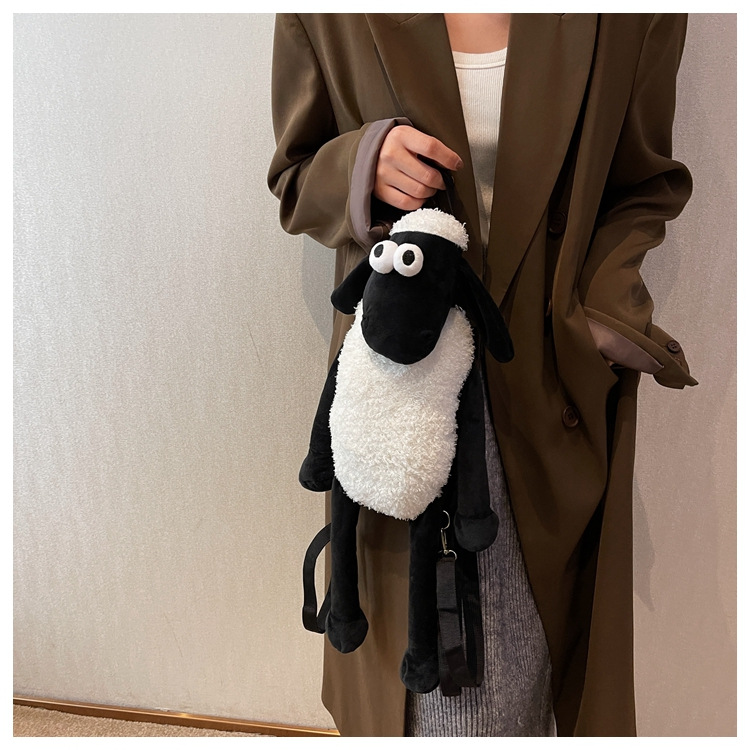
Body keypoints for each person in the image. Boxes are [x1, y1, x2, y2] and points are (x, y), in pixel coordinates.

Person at [267, 13, 696, 737]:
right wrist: (362, 164)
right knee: (413, 691)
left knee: (520, 686)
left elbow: (642, 184)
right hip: (402, 390)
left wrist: (600, 315)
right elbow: (294, 176)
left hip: (547, 392)